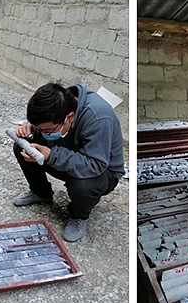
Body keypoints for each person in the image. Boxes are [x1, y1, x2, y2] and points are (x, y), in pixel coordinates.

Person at [11, 83, 124, 242]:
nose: (44, 133)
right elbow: (44, 125)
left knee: (83, 186)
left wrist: (52, 156)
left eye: (47, 131)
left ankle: (78, 216)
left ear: (70, 117)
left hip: (101, 170)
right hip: (70, 155)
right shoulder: (60, 100)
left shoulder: (98, 116)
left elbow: (96, 164)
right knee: (23, 146)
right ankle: (41, 193)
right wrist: (31, 128)